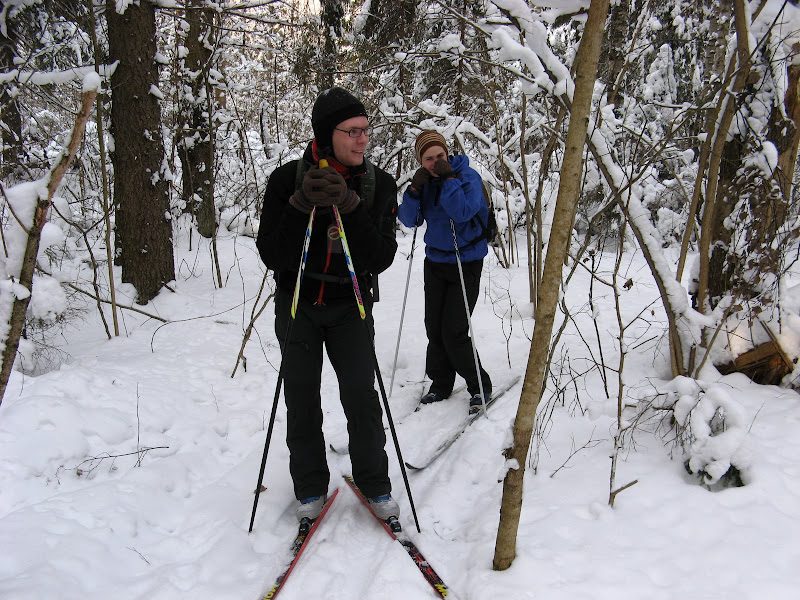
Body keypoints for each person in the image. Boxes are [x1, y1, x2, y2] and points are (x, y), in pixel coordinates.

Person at [256, 87, 400, 523]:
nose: (363, 139)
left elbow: (381, 257)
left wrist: (351, 206)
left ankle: (375, 484)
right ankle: (309, 488)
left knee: (361, 396)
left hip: (351, 305)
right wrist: (300, 205)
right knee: (301, 399)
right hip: (297, 304)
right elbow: (272, 254)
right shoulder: (286, 180)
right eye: (352, 131)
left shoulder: (378, 185)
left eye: (365, 130)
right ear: (326, 134)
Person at [397, 130, 492, 413]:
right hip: (436, 262)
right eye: (428, 159)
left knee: (454, 330)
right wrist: (414, 191)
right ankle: (440, 384)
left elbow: (461, 212)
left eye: (440, 156)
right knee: (434, 328)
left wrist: (449, 179)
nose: (435, 162)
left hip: (466, 261)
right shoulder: (425, 182)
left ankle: (479, 385)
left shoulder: (467, 177)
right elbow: (409, 219)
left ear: (447, 154)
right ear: (420, 161)